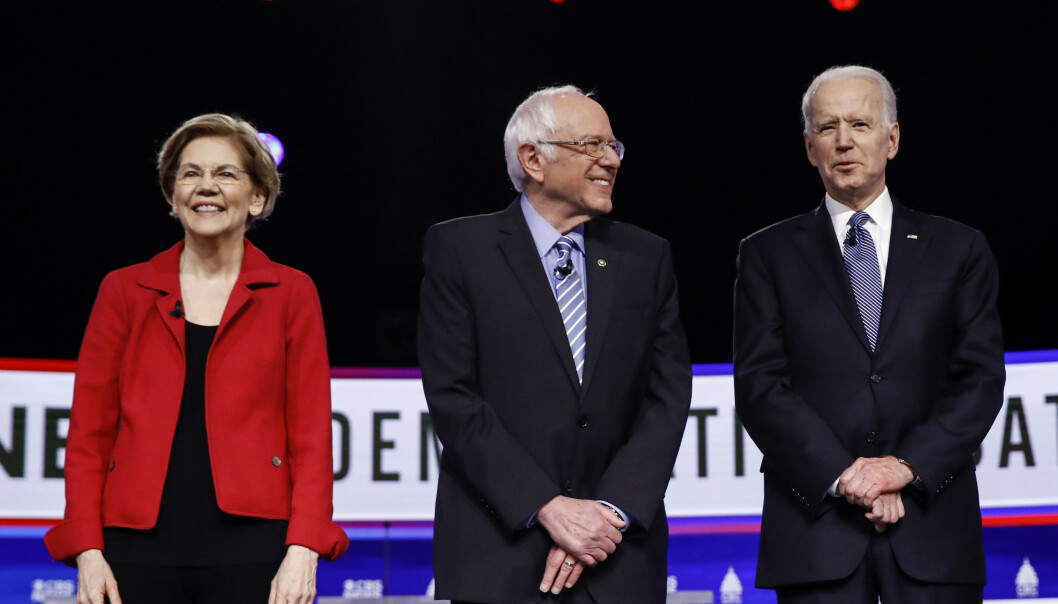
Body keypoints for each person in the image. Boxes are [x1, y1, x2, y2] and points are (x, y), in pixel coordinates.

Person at [44, 113, 348, 604]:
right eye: (190, 173)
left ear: (257, 197)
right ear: (172, 194)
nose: (206, 186)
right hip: (133, 549)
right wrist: (87, 549)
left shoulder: (292, 292)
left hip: (256, 547)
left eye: (226, 174)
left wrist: (303, 547)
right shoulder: (123, 290)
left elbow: (311, 435)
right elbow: (88, 436)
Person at [733, 65, 1006, 603]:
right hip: (817, 531)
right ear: (809, 147)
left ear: (892, 138)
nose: (843, 141)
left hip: (932, 528)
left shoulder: (959, 248)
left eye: (860, 123)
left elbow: (979, 380)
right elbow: (761, 387)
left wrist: (904, 468)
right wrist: (846, 477)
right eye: (827, 128)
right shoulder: (765, 255)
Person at [417, 85, 692, 604]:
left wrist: (607, 512)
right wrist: (550, 507)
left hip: (618, 556)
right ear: (532, 159)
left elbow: (668, 397)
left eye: (614, 147)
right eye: (591, 145)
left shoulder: (646, 258)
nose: (609, 160)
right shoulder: (460, 250)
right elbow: (454, 399)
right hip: (499, 553)